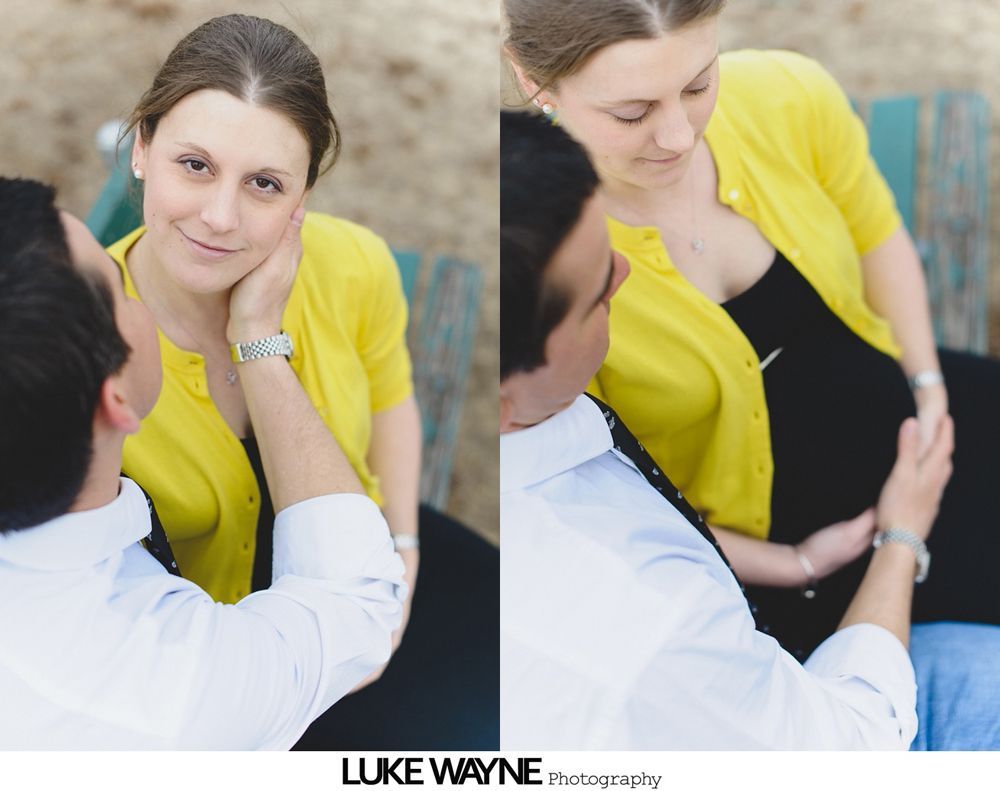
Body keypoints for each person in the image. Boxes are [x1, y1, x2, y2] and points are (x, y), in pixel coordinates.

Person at [503, 0, 1000, 658]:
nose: (679, 136)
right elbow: (595, 497)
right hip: (776, 557)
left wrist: (928, 387)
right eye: (632, 112)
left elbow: (877, 233)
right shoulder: (540, 261)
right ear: (533, 80)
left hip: (914, 419)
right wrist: (794, 563)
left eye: (698, 85)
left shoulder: (786, 93)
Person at [110, 14, 497, 748]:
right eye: (195, 165)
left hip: (372, 558)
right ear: (141, 149)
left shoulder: (353, 264)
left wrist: (404, 550)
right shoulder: (83, 339)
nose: (220, 217)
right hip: (222, 672)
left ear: (302, 196)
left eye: (264, 184)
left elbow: (392, 403)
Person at [0, 177, 404, 749]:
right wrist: (258, 336)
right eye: (119, 287)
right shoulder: (175, 691)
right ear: (115, 398)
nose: (220, 218)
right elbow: (357, 607)